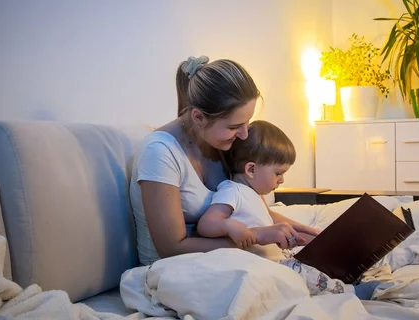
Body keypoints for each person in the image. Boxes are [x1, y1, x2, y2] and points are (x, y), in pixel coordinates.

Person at [129, 55, 319, 266]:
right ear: (198, 117)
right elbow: (171, 249)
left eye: (247, 122)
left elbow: (259, 212)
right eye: (234, 126)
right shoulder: (160, 153)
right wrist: (257, 237)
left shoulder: (221, 143)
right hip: (174, 270)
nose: (244, 134)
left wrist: (315, 238)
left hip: (229, 260)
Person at [196, 120, 380, 299]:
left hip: (279, 259)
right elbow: (206, 224)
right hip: (264, 265)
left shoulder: (253, 193)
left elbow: (270, 217)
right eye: (278, 173)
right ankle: (349, 292)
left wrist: (310, 235)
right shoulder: (232, 190)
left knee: (309, 264)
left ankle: (346, 275)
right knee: (305, 275)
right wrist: (230, 226)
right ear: (251, 170)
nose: (282, 180)